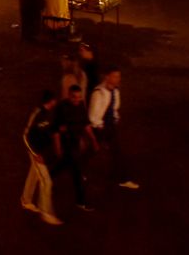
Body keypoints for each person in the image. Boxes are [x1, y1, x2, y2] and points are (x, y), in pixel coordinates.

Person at [88, 67, 140, 189]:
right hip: (101, 128)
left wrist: (115, 118)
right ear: (107, 77)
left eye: (119, 76)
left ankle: (121, 178)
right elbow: (93, 115)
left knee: (115, 153)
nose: (118, 79)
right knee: (93, 150)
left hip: (109, 127)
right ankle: (122, 179)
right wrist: (100, 127)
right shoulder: (98, 93)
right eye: (115, 76)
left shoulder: (115, 91)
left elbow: (114, 108)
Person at [53, 85, 98, 213]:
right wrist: (58, 148)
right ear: (68, 95)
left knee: (63, 165)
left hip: (75, 142)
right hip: (66, 143)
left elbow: (85, 124)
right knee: (77, 173)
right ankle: (81, 201)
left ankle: (47, 178)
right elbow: (55, 130)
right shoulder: (62, 108)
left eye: (79, 97)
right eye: (74, 97)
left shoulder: (81, 105)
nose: (76, 100)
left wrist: (93, 140)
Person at [21, 90, 62, 225]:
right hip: (36, 153)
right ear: (50, 101)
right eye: (53, 101)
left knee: (33, 174)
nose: (55, 103)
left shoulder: (48, 114)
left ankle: (26, 200)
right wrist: (35, 153)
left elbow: (45, 131)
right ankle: (46, 212)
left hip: (41, 153)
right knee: (46, 182)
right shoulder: (37, 113)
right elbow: (26, 136)